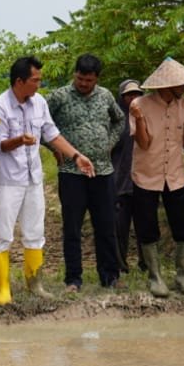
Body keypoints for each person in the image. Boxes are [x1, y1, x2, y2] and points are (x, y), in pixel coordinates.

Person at [0, 56, 96, 305]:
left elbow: (52, 134)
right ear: (20, 81)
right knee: (3, 234)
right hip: (8, 180)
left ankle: (34, 283)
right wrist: (20, 140)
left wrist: (76, 156)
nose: (39, 84)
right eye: (35, 80)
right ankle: (3, 289)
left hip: (33, 178)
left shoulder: (39, 103)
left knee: (35, 232)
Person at [127, 58, 184, 297]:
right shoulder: (139, 104)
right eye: (180, 84)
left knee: (182, 226)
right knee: (147, 227)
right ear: (167, 84)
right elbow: (143, 143)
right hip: (146, 175)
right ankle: (155, 278)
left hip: (175, 176)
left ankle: (183, 277)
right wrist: (139, 118)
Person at [47, 54, 126, 291]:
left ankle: (110, 276)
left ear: (96, 79)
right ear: (75, 74)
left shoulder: (106, 96)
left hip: (103, 172)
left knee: (106, 225)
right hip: (71, 172)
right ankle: (73, 279)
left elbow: (119, 121)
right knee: (72, 227)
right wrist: (54, 148)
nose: (83, 84)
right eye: (80, 79)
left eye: (89, 80)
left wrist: (109, 144)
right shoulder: (59, 97)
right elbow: (40, 124)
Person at [111, 79, 145, 276]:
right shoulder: (115, 120)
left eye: (137, 94)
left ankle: (146, 264)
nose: (133, 98)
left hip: (143, 182)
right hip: (119, 182)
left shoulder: (146, 117)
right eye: (129, 95)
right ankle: (120, 265)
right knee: (119, 228)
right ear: (121, 97)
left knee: (145, 226)